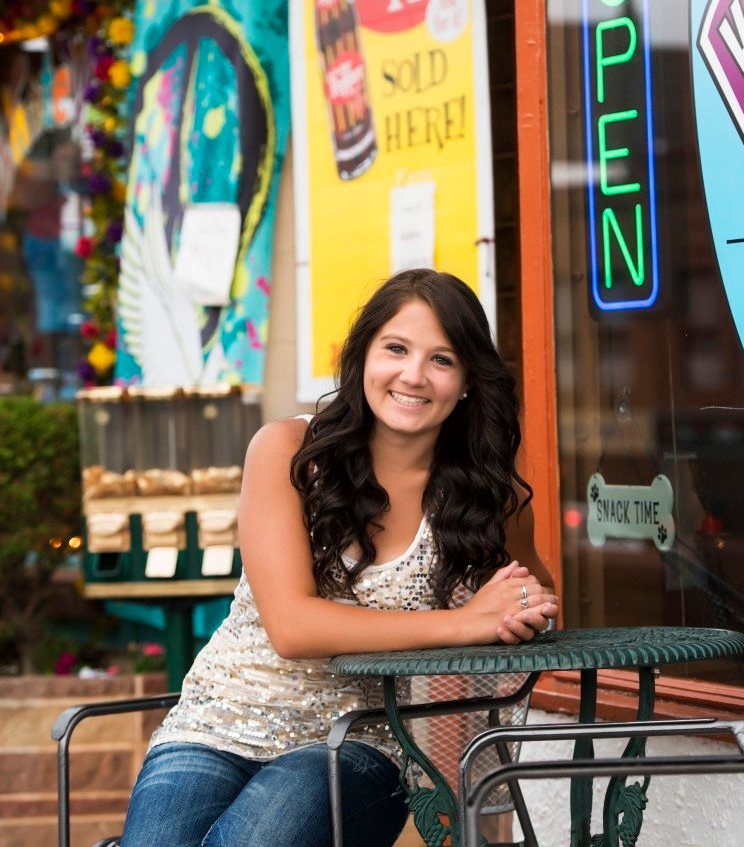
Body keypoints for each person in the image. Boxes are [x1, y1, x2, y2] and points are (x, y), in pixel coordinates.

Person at [120, 269, 558, 847]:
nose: (413, 375)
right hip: (217, 720)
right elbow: (293, 628)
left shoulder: (482, 497)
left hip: (360, 740)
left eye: (441, 359)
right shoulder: (288, 451)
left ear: (469, 381)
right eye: (395, 349)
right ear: (363, 357)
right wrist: (462, 622)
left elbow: (538, 600)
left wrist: (518, 609)